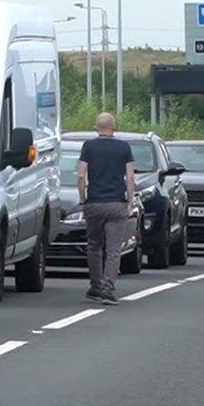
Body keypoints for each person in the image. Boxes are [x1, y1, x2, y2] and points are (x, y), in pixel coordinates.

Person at [77, 113, 135, 305]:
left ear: (96, 127)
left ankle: (95, 286)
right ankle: (108, 288)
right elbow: (130, 177)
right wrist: (130, 200)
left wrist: (83, 200)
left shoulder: (89, 146)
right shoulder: (124, 147)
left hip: (95, 203)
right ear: (114, 127)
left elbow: (81, 176)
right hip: (117, 204)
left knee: (94, 245)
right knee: (113, 249)